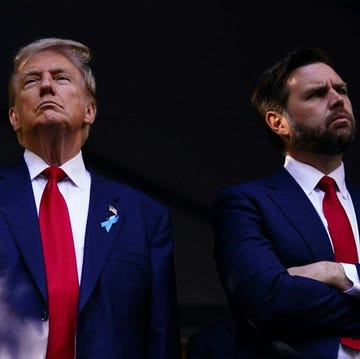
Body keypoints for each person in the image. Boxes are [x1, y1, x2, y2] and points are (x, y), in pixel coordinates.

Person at [0, 37, 181, 358]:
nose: (45, 86)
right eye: (31, 81)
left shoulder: (145, 216)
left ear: (90, 110)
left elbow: (160, 334)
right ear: (14, 117)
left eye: (61, 77)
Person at [212, 46, 360, 358]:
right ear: (279, 122)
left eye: (342, 90)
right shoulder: (244, 204)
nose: (337, 99)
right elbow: (266, 300)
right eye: (317, 94)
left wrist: (337, 273)